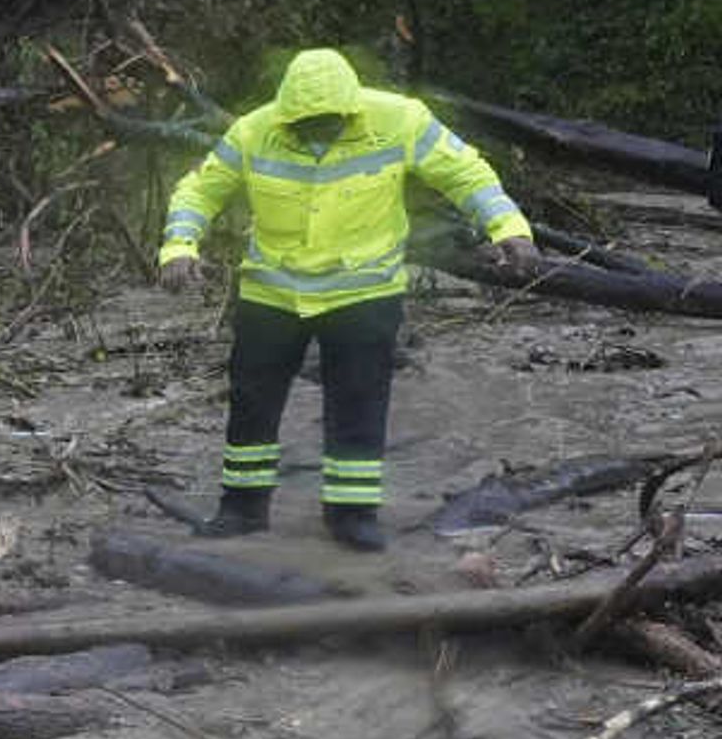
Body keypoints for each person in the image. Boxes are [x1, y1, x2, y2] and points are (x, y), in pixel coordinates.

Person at [159, 49, 537, 551]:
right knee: (253, 402)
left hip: (364, 291)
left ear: (351, 108)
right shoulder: (254, 131)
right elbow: (198, 191)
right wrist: (179, 247)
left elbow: (466, 174)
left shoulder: (401, 119)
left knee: (358, 402)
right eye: (304, 124)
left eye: (328, 122)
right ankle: (242, 510)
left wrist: (510, 229)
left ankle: (351, 517)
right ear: (286, 112)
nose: (316, 131)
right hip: (272, 291)